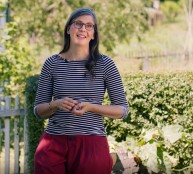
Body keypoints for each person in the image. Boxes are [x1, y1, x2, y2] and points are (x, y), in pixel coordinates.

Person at [34, 7, 128, 174]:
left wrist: (91, 107)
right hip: (53, 144)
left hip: (90, 145)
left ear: (93, 34)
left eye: (89, 26)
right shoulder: (51, 64)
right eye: (78, 24)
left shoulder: (105, 65)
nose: (83, 29)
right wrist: (56, 104)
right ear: (69, 29)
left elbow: (122, 110)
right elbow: (39, 111)